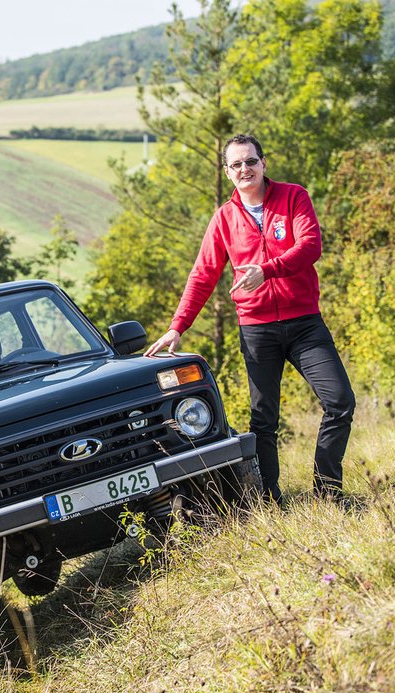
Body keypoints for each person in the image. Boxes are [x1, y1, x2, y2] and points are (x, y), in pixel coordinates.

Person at [145, 134, 355, 504]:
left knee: (340, 402)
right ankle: (272, 500)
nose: (245, 169)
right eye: (237, 164)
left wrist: (267, 270)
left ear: (264, 163)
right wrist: (178, 325)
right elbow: (203, 274)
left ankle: (327, 491)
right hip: (257, 330)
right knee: (263, 421)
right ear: (227, 172)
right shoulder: (225, 218)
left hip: (305, 322)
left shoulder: (293, 197)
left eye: (251, 161)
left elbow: (310, 247)